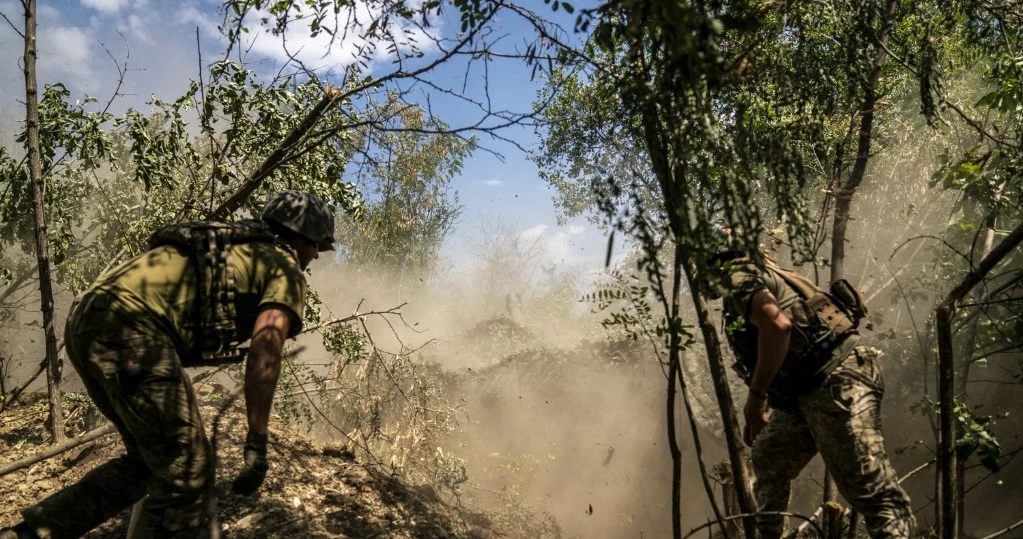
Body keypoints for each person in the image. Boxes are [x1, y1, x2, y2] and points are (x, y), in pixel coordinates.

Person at [1, 190, 335, 539]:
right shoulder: (284, 266)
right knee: (188, 467)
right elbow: (266, 348)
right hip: (129, 331)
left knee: (149, 464)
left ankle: (27, 536)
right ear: (301, 240)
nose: (314, 257)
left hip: (87, 321)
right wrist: (257, 439)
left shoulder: (238, 246)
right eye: (317, 248)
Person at [712, 239, 916, 539]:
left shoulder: (737, 277)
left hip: (835, 380)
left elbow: (778, 327)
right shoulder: (763, 273)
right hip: (810, 389)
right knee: (769, 455)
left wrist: (757, 398)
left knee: (870, 490)